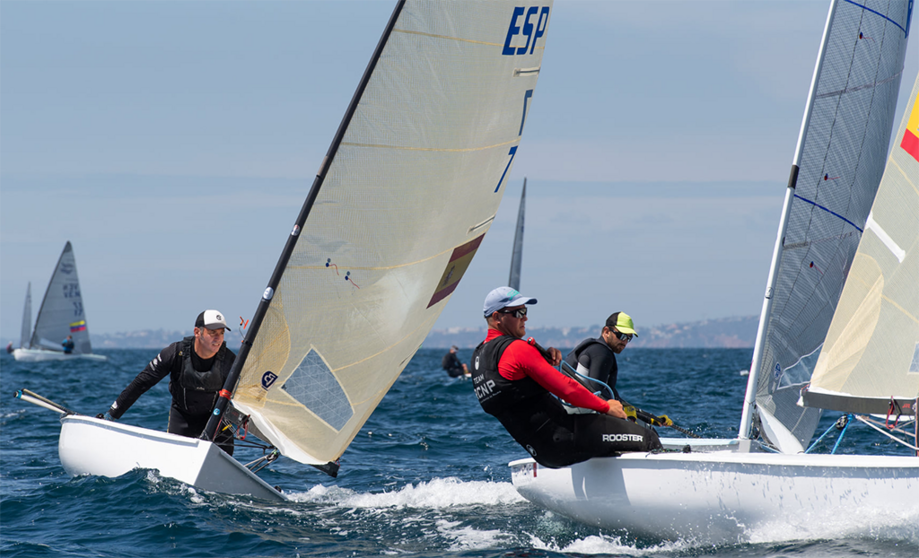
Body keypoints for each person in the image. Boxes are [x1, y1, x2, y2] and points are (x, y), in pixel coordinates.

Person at [471, 286, 661, 468]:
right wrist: (606, 406)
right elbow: (566, 388)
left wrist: (541, 361)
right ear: (497, 317)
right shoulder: (516, 349)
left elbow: (514, 388)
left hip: (542, 453)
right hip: (566, 436)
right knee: (649, 437)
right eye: (518, 313)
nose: (526, 317)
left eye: (525, 310)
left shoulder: (479, 358)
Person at [102, 310, 236, 455]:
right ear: (197, 332)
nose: (218, 338)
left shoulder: (230, 361)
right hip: (183, 417)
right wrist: (111, 415)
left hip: (218, 421)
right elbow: (142, 383)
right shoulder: (175, 353)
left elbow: (251, 395)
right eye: (212, 333)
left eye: (221, 333)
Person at [562, 312, 637, 402]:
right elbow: (597, 391)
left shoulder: (594, 347)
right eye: (621, 336)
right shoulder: (601, 353)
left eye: (629, 338)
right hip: (575, 410)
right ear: (606, 332)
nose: (624, 342)